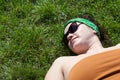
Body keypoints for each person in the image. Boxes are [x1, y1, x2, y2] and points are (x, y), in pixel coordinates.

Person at [44, 14, 120, 80]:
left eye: (73, 28)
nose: (69, 36)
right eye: (66, 38)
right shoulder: (62, 62)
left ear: (93, 29)